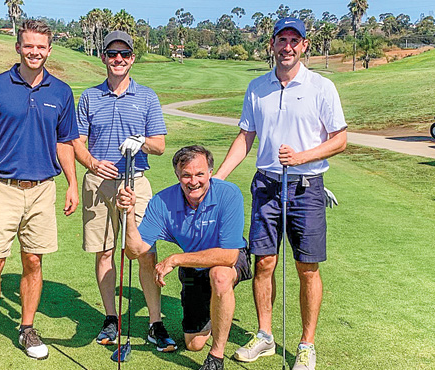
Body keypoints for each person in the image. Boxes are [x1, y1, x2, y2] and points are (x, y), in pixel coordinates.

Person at [214, 17, 347, 370]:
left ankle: (306, 344)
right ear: (272, 44)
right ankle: (264, 336)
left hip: (306, 186)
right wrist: (218, 178)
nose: (287, 46)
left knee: (307, 269)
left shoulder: (321, 87)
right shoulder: (257, 87)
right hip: (267, 185)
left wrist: (302, 156)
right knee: (264, 264)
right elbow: (246, 137)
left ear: (304, 46)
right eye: (281, 40)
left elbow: (340, 139)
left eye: (294, 40)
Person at [0, 20, 79, 368]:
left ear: (49, 50)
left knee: (33, 261)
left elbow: (64, 143)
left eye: (41, 47)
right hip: (2, 187)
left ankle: (27, 328)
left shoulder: (61, 92)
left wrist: (72, 183)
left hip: (43, 189)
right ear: (18, 47)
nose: (35, 52)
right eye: (29, 46)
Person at [73, 30, 176, 351]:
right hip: (98, 183)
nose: (118, 60)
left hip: (137, 181)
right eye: (112, 54)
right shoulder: (89, 96)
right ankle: (110, 318)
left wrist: (139, 141)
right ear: (103, 57)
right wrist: (91, 163)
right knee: (105, 252)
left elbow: (159, 145)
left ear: (132, 59)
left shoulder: (147, 97)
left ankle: (155, 322)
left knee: (145, 252)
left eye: (125, 55)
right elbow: (75, 140)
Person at [117, 146, 252, 370]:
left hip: (228, 256)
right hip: (193, 266)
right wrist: (129, 215)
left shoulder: (229, 193)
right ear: (177, 176)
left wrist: (175, 259)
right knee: (194, 344)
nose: (193, 181)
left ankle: (216, 358)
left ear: (210, 172)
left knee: (219, 275)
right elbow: (134, 251)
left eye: (200, 174)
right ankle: (215, 306)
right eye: (186, 175)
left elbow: (229, 255)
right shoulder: (162, 201)